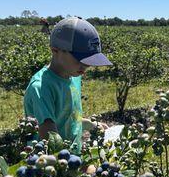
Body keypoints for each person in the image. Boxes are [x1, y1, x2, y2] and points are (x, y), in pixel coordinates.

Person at [24, 17, 111, 154]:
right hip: (53, 165)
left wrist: (91, 125)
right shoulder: (41, 88)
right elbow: (51, 141)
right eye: (79, 59)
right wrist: (80, 167)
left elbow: (67, 118)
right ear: (55, 50)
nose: (86, 66)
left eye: (89, 60)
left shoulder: (72, 76)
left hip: (72, 157)